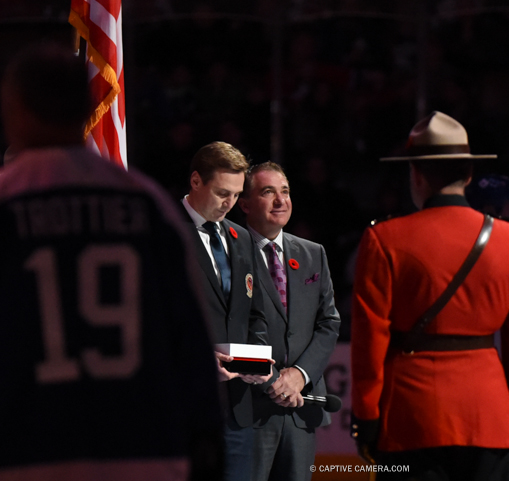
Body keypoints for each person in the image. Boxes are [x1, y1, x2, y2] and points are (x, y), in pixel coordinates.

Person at [0, 42, 223, 480]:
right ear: (88, 105)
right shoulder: (149, 204)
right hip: (146, 451)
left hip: (26, 452)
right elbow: (190, 345)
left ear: (14, 109)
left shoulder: (6, 201)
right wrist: (205, 451)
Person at [350, 111, 509, 481]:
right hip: (488, 415)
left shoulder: (384, 239)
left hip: (411, 417)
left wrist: (366, 414)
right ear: (469, 174)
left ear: (416, 175)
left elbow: (369, 337)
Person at [238, 161, 341, 481]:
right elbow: (231, 328)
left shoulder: (313, 253)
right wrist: (273, 382)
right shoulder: (230, 253)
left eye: (285, 191)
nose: (281, 200)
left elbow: (329, 323)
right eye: (268, 192)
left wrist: (299, 374)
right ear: (244, 203)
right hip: (249, 409)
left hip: (302, 407)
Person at [182, 141, 272, 480]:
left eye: (235, 195)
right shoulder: (165, 231)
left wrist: (256, 358)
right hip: (186, 404)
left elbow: (256, 312)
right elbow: (155, 320)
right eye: (222, 193)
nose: (229, 203)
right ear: (195, 181)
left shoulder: (241, 237)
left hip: (237, 407)